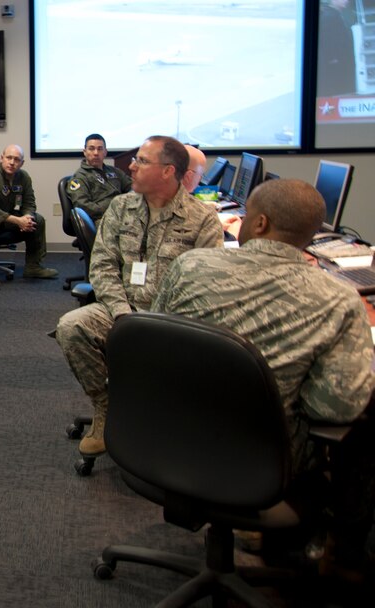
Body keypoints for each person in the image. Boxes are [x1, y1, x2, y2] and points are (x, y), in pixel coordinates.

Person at [153, 178, 375, 582]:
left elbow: (156, 343)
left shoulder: (190, 267)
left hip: (163, 443)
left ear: (258, 224)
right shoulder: (339, 299)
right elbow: (335, 409)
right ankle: (343, 558)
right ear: (312, 235)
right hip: (267, 465)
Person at [55, 135, 223, 456]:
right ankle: (107, 408)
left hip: (173, 321)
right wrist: (121, 312)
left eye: (142, 161)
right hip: (121, 312)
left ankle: (165, 414)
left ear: (167, 171)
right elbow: (102, 267)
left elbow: (206, 284)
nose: (131, 166)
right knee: (71, 327)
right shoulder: (121, 207)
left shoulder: (202, 219)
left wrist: (158, 321)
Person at [0, 144, 58, 290]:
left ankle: (33, 267)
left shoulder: (23, 177)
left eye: (17, 159)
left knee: (38, 220)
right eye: (9, 158)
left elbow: (29, 203)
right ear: (1, 158)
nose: (12, 162)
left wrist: (27, 217)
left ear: (22, 163)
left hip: (4, 217)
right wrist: (17, 220)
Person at [65, 134, 132, 223]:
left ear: (105, 152)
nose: (96, 153)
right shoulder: (79, 178)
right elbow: (83, 207)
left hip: (123, 215)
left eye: (100, 149)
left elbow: (133, 188)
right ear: (85, 152)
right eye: (91, 149)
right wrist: (114, 208)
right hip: (101, 220)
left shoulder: (115, 172)